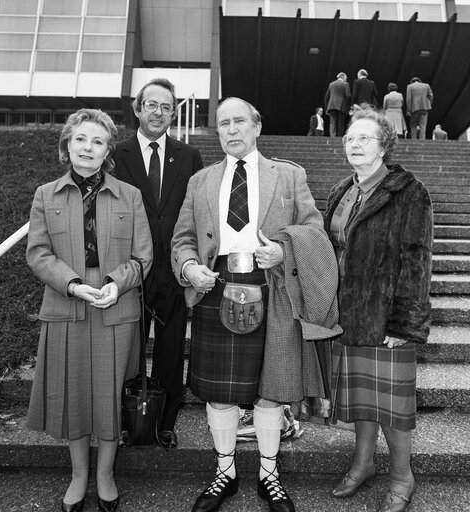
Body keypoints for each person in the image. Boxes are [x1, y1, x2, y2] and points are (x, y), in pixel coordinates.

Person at [171, 97, 341, 512]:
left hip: (272, 286)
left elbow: (314, 229)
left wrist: (284, 250)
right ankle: (224, 472)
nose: (231, 129)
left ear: (257, 126)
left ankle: (270, 474)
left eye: (239, 121)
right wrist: (190, 266)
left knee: (271, 390)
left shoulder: (288, 174)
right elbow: (182, 239)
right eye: (223, 123)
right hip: (217, 285)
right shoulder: (201, 181)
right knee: (219, 392)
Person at [26, 109, 153, 512]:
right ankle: (80, 474)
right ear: (67, 145)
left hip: (116, 305)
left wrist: (117, 283)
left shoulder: (129, 195)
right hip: (67, 304)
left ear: (107, 151)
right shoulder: (46, 194)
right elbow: (39, 254)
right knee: (74, 393)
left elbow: (143, 255)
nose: (88, 148)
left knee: (110, 393)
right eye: (81, 139)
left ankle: (105, 474)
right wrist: (75, 285)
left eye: (97, 142)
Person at [325, 105, 433, 512]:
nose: (354, 144)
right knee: (362, 400)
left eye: (364, 138)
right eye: (350, 138)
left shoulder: (408, 191)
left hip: (388, 316)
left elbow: (417, 256)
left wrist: (406, 321)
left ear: (384, 145)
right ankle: (362, 464)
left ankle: (403, 476)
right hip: (348, 314)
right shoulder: (341, 189)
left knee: (393, 406)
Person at [113, 78, 204, 449]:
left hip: (172, 270)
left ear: (174, 114)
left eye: (167, 107)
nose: (159, 113)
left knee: (169, 351)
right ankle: (127, 421)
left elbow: (195, 211)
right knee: (128, 349)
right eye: (152, 105)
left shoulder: (188, 156)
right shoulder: (116, 154)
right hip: (131, 269)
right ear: (138, 108)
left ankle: (164, 423)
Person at [325, 72, 351, 137]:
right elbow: (348, 96)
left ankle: (332, 137)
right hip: (342, 106)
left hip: (331, 105)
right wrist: (348, 106)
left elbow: (326, 97)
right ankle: (339, 138)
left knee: (332, 122)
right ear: (343, 77)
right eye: (346, 78)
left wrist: (326, 107)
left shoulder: (331, 84)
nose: (346, 79)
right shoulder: (345, 84)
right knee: (341, 123)